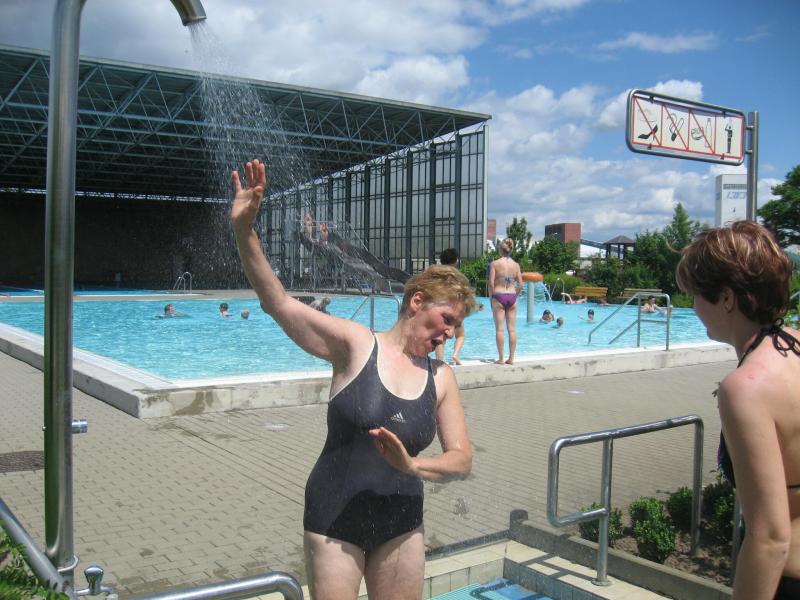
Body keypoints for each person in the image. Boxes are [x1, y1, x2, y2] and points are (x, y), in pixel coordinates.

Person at [230, 160, 478, 600]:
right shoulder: (357, 345)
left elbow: (462, 460)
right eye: (446, 319)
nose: (448, 333)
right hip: (335, 517)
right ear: (416, 302)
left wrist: (413, 466)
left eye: (455, 327)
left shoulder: (441, 377)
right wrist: (244, 231)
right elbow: (279, 303)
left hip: (402, 521)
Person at [676, 221, 800, 599]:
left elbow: (771, 538)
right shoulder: (795, 347)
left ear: (727, 298)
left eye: (697, 296)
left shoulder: (745, 388)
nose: (694, 308)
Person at [488, 239, 523, 365]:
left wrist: (491, 297)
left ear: (500, 250)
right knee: (512, 330)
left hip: (499, 295)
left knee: (500, 329)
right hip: (512, 296)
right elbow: (520, 285)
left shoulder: (495, 264)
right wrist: (515, 296)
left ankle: (501, 358)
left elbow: (491, 283)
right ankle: (511, 358)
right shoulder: (516, 265)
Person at [435, 248, 467, 365]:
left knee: (440, 337)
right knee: (460, 335)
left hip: (442, 308)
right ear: (456, 261)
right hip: (455, 308)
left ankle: (439, 361)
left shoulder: (437, 275)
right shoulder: (458, 276)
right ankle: (455, 355)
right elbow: (463, 293)